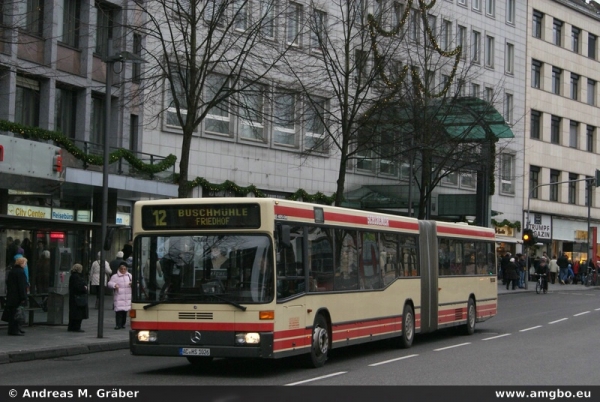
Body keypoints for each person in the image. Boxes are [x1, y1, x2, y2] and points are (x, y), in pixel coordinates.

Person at [1, 257, 28, 335]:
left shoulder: (12, 271)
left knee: (13, 313)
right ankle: (15, 330)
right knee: (17, 313)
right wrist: (23, 297)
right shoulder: (21, 272)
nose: (25, 265)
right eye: (25, 263)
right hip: (17, 296)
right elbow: (22, 286)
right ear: (22, 263)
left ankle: (14, 329)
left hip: (11, 295)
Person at [107, 261, 132, 330]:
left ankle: (123, 324)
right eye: (121, 269)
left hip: (127, 297)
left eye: (124, 269)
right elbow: (110, 283)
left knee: (124, 312)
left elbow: (136, 283)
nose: (123, 270)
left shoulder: (129, 276)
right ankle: (118, 324)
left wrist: (132, 284)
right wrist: (114, 285)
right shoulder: (115, 276)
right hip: (119, 296)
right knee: (118, 312)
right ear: (119, 269)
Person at [68, 263, 88, 332]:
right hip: (77, 298)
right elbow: (78, 287)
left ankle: (71, 327)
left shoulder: (73, 276)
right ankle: (76, 327)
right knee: (78, 314)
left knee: (73, 313)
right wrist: (84, 288)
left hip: (74, 297)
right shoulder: (76, 277)